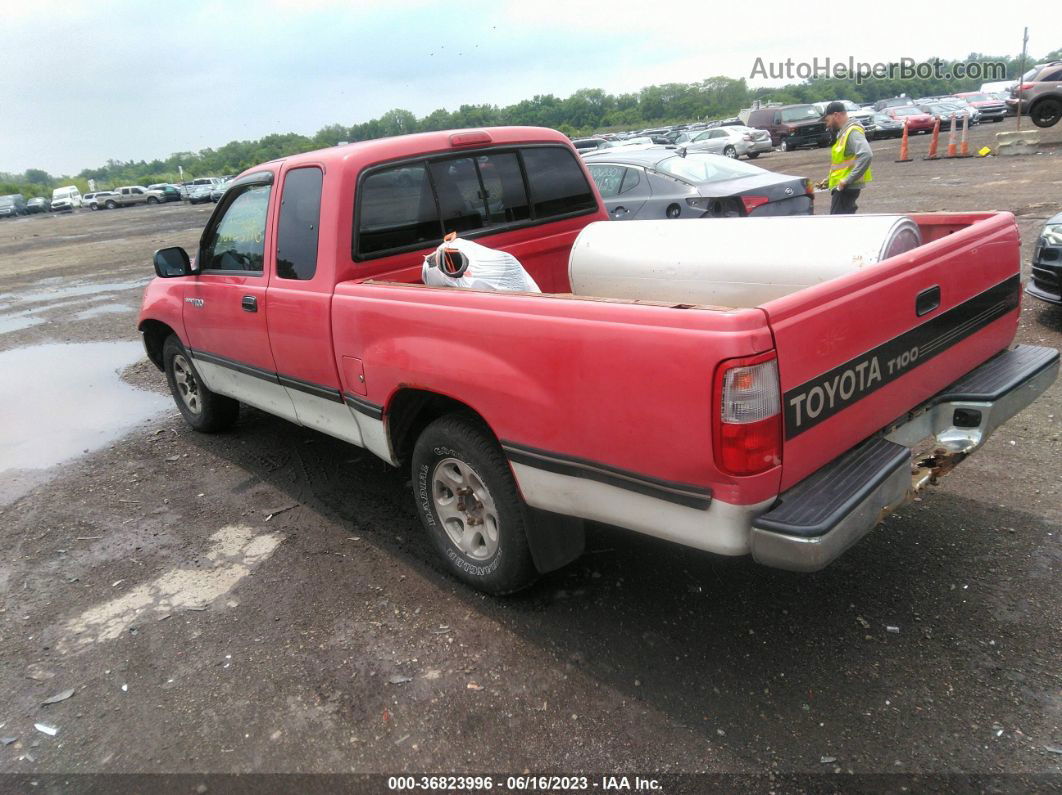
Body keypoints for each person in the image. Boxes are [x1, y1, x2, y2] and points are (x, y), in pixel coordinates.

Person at [818, 101, 873, 214]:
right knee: (844, 223)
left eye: (827, 120)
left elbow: (866, 154)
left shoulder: (852, 132)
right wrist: (829, 180)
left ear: (836, 115)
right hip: (843, 187)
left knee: (839, 224)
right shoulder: (843, 133)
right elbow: (843, 164)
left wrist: (846, 181)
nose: (827, 125)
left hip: (845, 188)